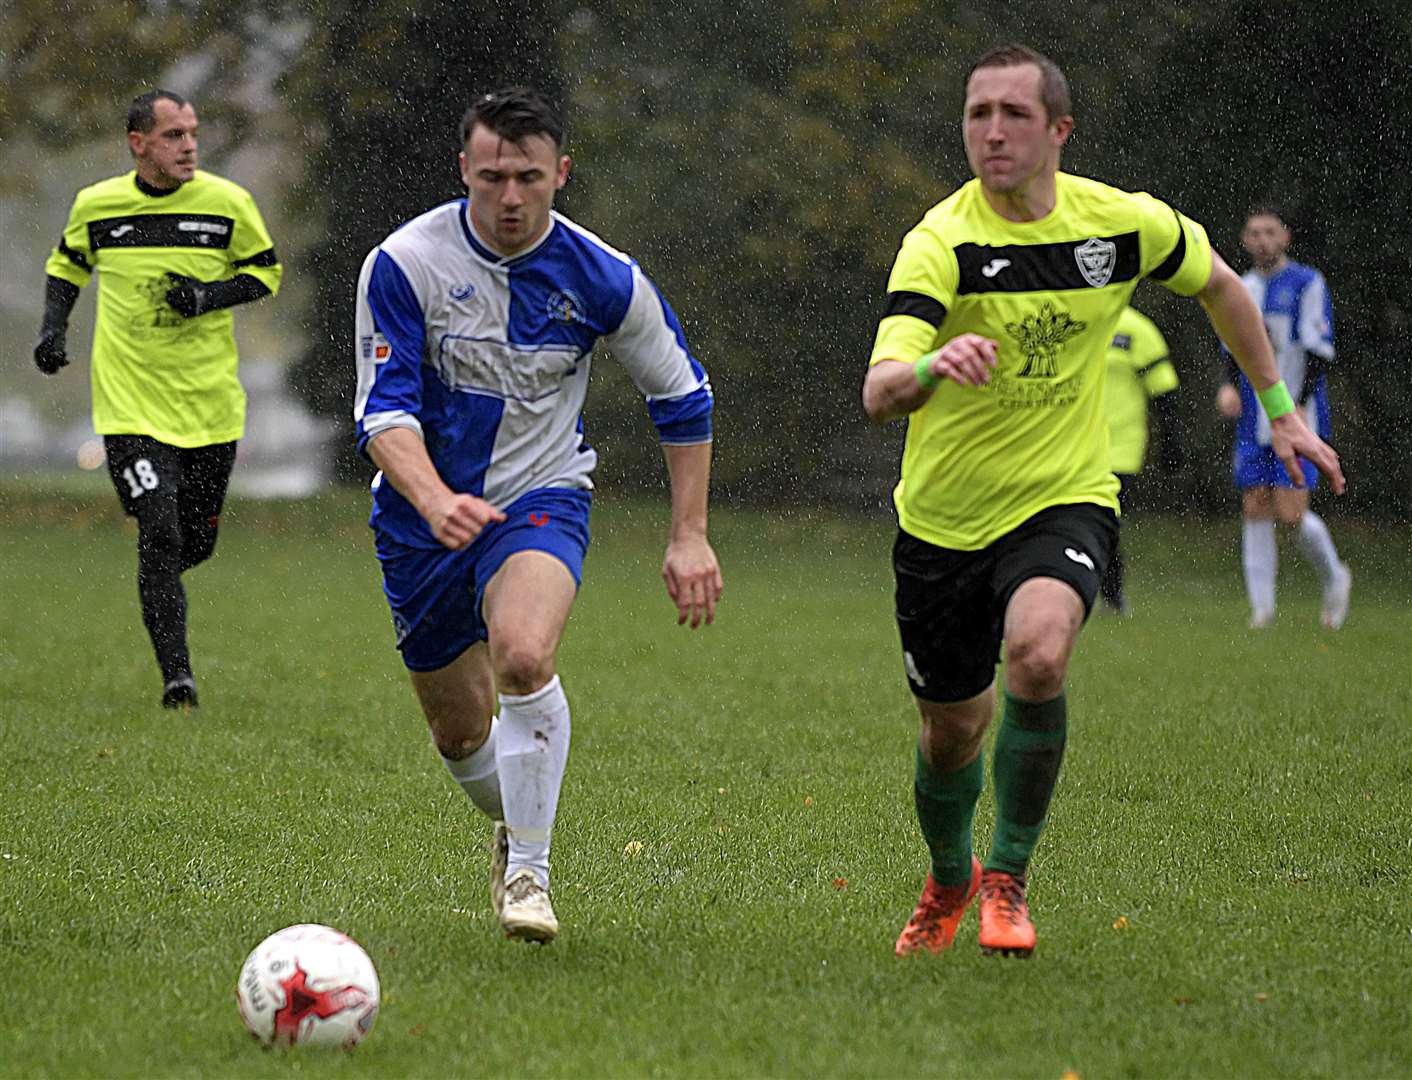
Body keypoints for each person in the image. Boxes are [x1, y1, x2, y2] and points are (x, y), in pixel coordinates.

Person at [862, 45, 1343, 959]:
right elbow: (880, 388)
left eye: (1012, 113)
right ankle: (952, 877)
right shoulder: (942, 240)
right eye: (977, 114)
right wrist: (930, 367)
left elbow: (1223, 288)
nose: (992, 132)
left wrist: (1280, 411)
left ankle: (1007, 877)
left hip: (1065, 496)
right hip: (943, 519)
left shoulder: (1120, 225)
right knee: (951, 732)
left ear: (1059, 130)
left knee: (1039, 655)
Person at [353, 87, 721, 944]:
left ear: (561, 172)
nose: (510, 199)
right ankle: (510, 820)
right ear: (463, 172)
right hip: (421, 520)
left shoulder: (603, 277)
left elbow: (682, 395)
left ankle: (530, 874)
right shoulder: (405, 264)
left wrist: (689, 532)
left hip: (541, 498)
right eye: (491, 178)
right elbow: (382, 412)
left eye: (528, 177)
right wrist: (436, 498)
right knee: (459, 733)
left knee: (524, 655)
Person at [35, 89, 282, 711]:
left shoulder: (228, 204)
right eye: (173, 135)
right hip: (129, 410)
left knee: (194, 542)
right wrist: (52, 331)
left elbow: (265, 273)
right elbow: (67, 265)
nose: (189, 145)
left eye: (192, 132)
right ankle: (179, 679)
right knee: (160, 532)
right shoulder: (97, 205)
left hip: (211, 409)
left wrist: (205, 298)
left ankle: (161, 582)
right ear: (138, 143)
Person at [1216, 207, 1350, 630]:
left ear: (1285, 238)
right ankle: (1262, 610)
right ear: (1243, 239)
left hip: (1297, 415)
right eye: (1253, 232)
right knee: (1255, 504)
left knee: (1291, 514)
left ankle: (1335, 577)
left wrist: (1296, 407)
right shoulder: (1242, 286)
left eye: (1269, 232)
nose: (1261, 240)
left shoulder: (1308, 282)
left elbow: (1317, 352)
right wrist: (1229, 386)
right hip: (1254, 418)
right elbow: (1231, 347)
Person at [1099, 305, 1185, 614]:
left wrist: (1172, 443)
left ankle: (1111, 595)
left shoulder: (1136, 329)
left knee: (1105, 520)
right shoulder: (1073, 321)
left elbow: (1164, 390)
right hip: (1072, 447)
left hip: (1120, 447)